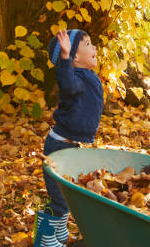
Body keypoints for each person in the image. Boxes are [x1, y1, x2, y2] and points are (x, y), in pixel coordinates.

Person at [34, 29, 104, 247]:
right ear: (74, 57)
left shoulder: (87, 76)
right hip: (58, 147)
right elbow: (66, 82)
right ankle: (45, 240)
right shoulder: (74, 81)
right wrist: (64, 58)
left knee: (68, 194)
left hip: (71, 146)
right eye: (88, 44)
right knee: (60, 197)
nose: (94, 48)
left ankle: (60, 233)